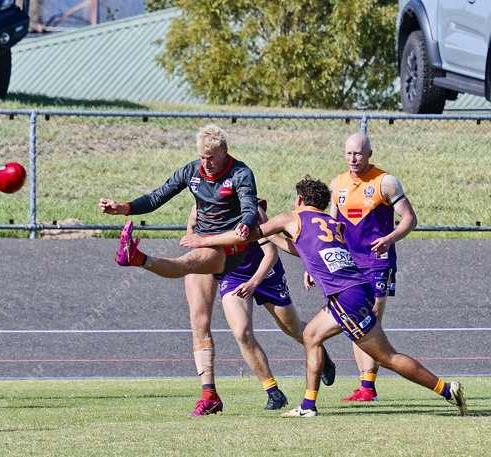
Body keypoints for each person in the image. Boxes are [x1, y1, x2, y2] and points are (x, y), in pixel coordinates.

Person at [180, 177, 466, 417]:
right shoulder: (330, 222)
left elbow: (245, 236)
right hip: (359, 289)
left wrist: (205, 240)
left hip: (346, 297)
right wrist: (276, 240)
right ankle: (308, 405)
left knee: (386, 357)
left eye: (295, 199)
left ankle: (445, 389)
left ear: (300, 200)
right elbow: (302, 249)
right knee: (312, 336)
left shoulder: (292, 217)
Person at [99, 124, 258, 416]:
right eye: (202, 157)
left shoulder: (240, 173)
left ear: (225, 152)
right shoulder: (191, 171)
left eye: (211, 157)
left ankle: (139, 258)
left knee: (187, 262)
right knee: (199, 319)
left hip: (229, 248)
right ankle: (209, 396)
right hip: (202, 243)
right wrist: (122, 208)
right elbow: (156, 197)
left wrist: (245, 225)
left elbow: (249, 208)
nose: (205, 163)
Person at [187, 200, 336, 411]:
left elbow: (271, 253)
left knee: (292, 328)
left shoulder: (251, 209)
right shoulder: (199, 209)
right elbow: (192, 230)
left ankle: (320, 352)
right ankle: (274, 393)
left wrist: (253, 283)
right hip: (233, 275)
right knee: (242, 332)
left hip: (266, 273)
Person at [328, 132, 417, 402]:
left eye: (358, 153)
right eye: (348, 153)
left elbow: (410, 219)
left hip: (378, 261)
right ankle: (365, 386)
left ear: (369, 154)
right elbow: (330, 229)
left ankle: (368, 387)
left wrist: (389, 239)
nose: (353, 158)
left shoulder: (385, 182)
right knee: (356, 319)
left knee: (372, 317)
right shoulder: (337, 184)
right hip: (348, 263)